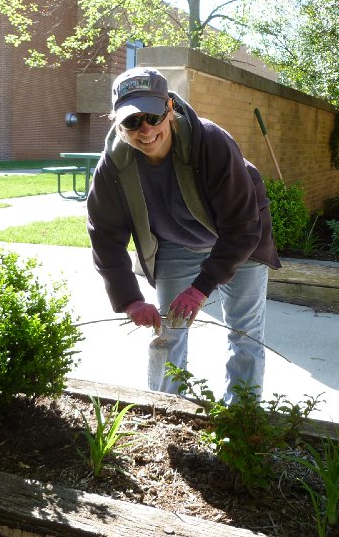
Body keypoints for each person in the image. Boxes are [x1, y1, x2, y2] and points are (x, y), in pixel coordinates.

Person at [86, 67, 281, 404]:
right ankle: (164, 410)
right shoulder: (113, 166)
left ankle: (242, 417)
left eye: (153, 116)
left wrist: (200, 288)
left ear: (170, 109)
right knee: (167, 332)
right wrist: (130, 299)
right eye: (132, 121)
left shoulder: (211, 141)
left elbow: (242, 226)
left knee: (245, 333)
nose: (146, 129)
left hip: (239, 241)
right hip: (176, 243)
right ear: (118, 124)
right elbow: (104, 235)